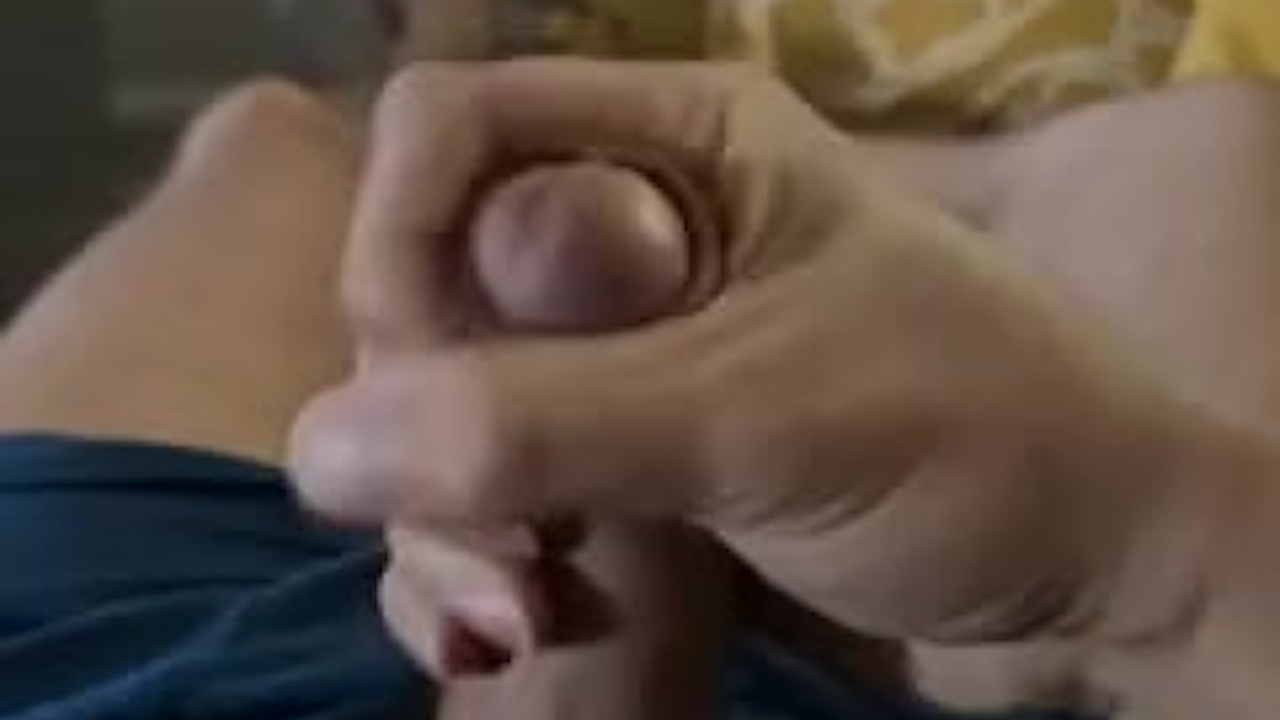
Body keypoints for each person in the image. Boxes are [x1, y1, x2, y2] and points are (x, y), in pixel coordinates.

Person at [2, 55, 1280, 720]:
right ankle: (958, 207)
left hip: (69, 640)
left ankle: (827, 232)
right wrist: (1155, 553)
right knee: (1194, 154)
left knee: (275, 141)